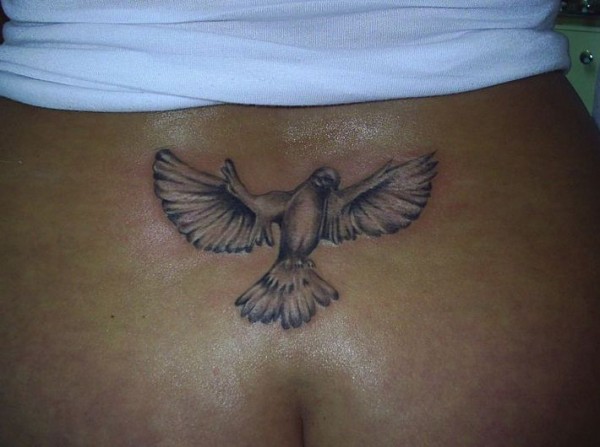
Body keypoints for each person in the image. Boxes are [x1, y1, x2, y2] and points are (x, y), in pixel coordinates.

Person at [1, 1, 599, 446]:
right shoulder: (314, 203)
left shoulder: (328, 201)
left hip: (93, 275)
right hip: (503, 272)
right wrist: (234, 187)